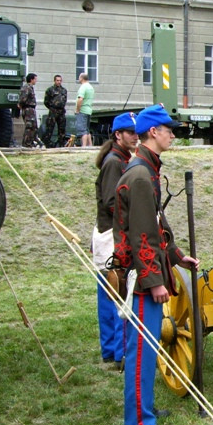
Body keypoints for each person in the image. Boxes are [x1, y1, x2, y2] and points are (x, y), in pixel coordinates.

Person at [112, 104, 198, 425]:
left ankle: (144, 407)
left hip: (148, 272)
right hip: (142, 278)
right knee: (142, 349)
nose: (172, 135)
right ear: (153, 133)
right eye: (168, 130)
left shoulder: (146, 170)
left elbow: (157, 226)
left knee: (147, 349)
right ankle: (138, 423)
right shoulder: (140, 175)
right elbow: (142, 236)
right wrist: (156, 282)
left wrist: (176, 256)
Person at [93, 112, 138, 369]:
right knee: (116, 292)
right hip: (111, 234)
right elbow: (112, 203)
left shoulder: (121, 159)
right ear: (117, 135)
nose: (134, 136)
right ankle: (118, 353)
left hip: (111, 232)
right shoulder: (114, 162)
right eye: (129, 132)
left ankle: (112, 351)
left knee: (111, 293)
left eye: (136, 132)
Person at [43, 74, 68, 147]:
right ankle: (46, 144)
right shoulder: (50, 90)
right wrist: (52, 107)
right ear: (54, 81)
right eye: (57, 80)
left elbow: (64, 100)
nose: (59, 82)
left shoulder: (64, 90)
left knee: (62, 129)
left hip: (61, 112)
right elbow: (46, 101)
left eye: (60, 80)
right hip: (53, 111)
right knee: (50, 128)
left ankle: (61, 144)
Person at [18, 73, 39, 148]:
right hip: (28, 109)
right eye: (35, 79)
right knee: (29, 126)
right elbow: (23, 98)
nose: (36, 81)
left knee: (33, 127)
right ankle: (26, 143)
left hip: (31, 109)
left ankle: (30, 142)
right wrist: (20, 104)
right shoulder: (26, 87)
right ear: (31, 79)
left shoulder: (30, 87)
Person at [75, 73, 95, 147]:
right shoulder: (91, 87)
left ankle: (83, 146)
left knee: (82, 131)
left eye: (79, 77)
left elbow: (80, 99)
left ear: (82, 78)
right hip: (88, 110)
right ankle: (90, 145)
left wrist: (77, 109)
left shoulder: (83, 87)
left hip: (82, 110)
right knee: (87, 130)